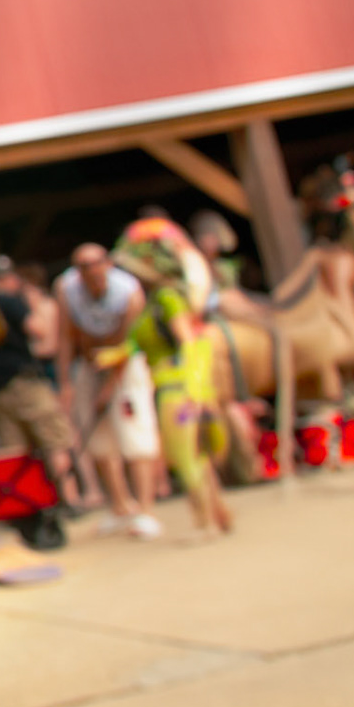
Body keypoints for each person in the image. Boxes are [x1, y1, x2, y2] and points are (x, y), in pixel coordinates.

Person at [114, 220, 235, 535]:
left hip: (179, 390)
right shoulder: (151, 303)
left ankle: (205, 523)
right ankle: (218, 514)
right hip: (170, 387)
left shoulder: (167, 298)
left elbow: (190, 342)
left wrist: (195, 389)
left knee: (186, 457)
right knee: (196, 457)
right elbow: (136, 344)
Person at [55, 243, 161, 539]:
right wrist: (65, 382)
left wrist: (111, 386)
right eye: (84, 266)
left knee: (136, 436)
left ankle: (146, 510)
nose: (92, 271)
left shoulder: (128, 291)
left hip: (127, 364)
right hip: (90, 364)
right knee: (99, 441)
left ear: (108, 264)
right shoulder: (66, 289)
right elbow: (65, 337)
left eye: (97, 263)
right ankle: (119, 506)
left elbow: (130, 342)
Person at [0, 255, 81, 521]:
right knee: (55, 442)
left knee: (15, 450)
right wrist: (33, 305)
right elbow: (40, 332)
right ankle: (69, 499)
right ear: (3, 278)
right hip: (26, 382)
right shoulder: (9, 302)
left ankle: (27, 507)